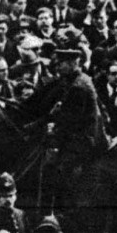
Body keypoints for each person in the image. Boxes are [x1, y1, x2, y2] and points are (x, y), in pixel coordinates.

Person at [21, 48, 106, 217]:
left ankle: (61, 212)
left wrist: (49, 132)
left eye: (61, 64)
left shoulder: (78, 87)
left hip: (83, 139)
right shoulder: (75, 81)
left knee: (54, 168)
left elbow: (70, 122)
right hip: (80, 133)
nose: (57, 67)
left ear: (73, 63)